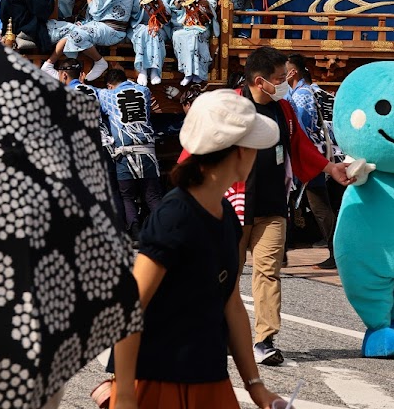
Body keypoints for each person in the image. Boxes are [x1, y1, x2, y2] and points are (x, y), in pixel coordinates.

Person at [112, 90, 287, 409]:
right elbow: (130, 305)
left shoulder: (226, 215)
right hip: (160, 382)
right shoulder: (175, 216)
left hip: (210, 377)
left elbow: (231, 303)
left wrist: (255, 386)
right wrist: (124, 396)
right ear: (238, 153)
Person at [239, 47, 353, 366]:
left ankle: (264, 339)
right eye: (279, 79)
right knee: (224, 276)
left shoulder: (283, 109)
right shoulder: (231, 106)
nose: (285, 84)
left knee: (268, 273)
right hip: (232, 207)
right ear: (260, 81)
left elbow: (300, 146)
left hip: (273, 206)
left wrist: (331, 168)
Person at [44, 0, 134, 83]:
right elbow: (95, 10)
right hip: (102, 25)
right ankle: (49, 64)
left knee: (76, 34)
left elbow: (98, 6)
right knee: (70, 30)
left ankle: (99, 61)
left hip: (113, 29)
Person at [285, 52, 341, 270]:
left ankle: (337, 252)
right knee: (317, 205)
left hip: (308, 158)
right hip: (309, 156)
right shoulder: (306, 91)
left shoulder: (301, 95)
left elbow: (301, 130)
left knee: (320, 207)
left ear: (293, 71)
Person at [97, 66, 162, 239]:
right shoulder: (144, 91)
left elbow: (91, 93)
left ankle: (134, 232)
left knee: (127, 196)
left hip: (125, 154)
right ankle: (167, 230)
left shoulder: (107, 95)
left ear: (110, 85)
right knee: (152, 196)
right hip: (148, 151)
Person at [171, 0, 219, 86]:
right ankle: (187, 72)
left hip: (201, 23)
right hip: (184, 23)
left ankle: (199, 73)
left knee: (194, 36)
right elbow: (174, 5)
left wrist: (198, 0)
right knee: (178, 35)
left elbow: (212, 4)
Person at [129, 0, 175, 87]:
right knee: (144, 30)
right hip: (138, 24)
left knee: (153, 31)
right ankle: (143, 69)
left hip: (159, 25)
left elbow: (169, 8)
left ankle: (155, 70)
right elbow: (129, 6)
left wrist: (158, 2)